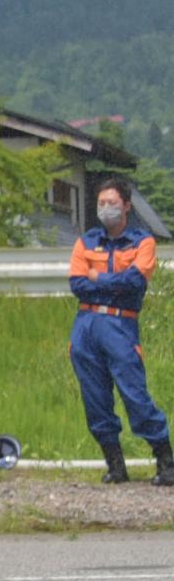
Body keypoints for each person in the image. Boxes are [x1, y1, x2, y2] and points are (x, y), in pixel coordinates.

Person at [69, 177, 174, 485]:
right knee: (95, 398)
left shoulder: (143, 242)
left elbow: (135, 283)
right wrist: (108, 280)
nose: (106, 209)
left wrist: (98, 279)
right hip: (86, 325)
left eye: (112, 203)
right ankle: (116, 465)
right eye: (102, 203)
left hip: (121, 324)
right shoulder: (86, 241)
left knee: (135, 394)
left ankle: (166, 461)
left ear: (127, 206)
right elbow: (77, 284)